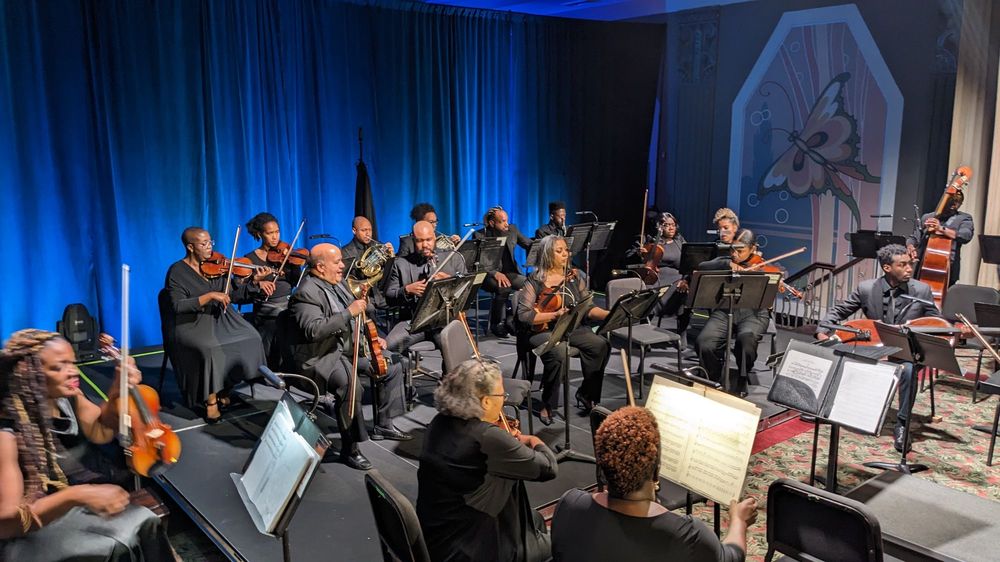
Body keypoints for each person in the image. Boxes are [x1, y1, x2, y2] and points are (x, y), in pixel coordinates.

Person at [0, 329, 176, 561]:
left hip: (71, 505)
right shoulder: (7, 435)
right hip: (32, 531)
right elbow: (6, 524)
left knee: (145, 521)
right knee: (121, 536)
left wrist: (116, 392)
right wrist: (79, 495)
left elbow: (100, 430)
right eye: (59, 367)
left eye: (71, 363)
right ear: (28, 373)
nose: (73, 372)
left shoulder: (68, 396)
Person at [551, 406, 756, 561]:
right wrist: (739, 520)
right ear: (656, 471)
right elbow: (732, 556)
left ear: (603, 465)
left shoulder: (569, 505)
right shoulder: (688, 534)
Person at [286, 244, 411, 471]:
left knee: (392, 364)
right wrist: (348, 312)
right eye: (337, 262)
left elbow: (360, 314)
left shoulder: (339, 284)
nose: (343, 265)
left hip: (348, 350)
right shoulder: (306, 292)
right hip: (322, 355)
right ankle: (350, 449)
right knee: (351, 386)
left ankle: (383, 424)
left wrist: (375, 338)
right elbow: (313, 331)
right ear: (321, 267)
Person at [417, 360, 556, 562]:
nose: (503, 400)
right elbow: (548, 468)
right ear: (486, 402)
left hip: (439, 534)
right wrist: (532, 440)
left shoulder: (438, 423)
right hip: (472, 549)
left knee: (534, 519)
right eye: (501, 395)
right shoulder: (486, 437)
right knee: (567, 538)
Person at [816, 244, 941, 452]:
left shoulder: (921, 290)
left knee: (908, 371)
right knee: (837, 351)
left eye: (910, 264)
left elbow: (934, 321)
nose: (909, 268)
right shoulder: (867, 288)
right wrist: (823, 330)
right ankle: (826, 408)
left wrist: (914, 331)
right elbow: (840, 310)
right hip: (875, 345)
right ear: (887, 268)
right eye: (903, 265)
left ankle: (902, 424)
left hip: (906, 351)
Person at [164, 227, 272, 422]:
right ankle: (211, 400)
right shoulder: (177, 271)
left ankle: (225, 388)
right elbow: (178, 306)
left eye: (210, 242)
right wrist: (210, 295)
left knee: (252, 338)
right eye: (203, 244)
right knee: (209, 348)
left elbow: (234, 296)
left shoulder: (218, 266)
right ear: (190, 247)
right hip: (191, 322)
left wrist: (254, 282)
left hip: (221, 317)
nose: (209, 247)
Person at [514, 235, 610, 425]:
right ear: (547, 254)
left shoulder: (574, 277)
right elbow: (524, 316)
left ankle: (586, 394)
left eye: (566, 250)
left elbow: (588, 307)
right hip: (540, 330)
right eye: (559, 251)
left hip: (571, 327)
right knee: (558, 353)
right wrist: (555, 315)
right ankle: (548, 404)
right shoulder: (534, 280)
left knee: (600, 345)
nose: (565, 254)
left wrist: (609, 314)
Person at [694, 229, 772, 395]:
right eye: (732, 249)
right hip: (725, 310)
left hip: (754, 313)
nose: (735, 254)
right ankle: (713, 377)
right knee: (704, 341)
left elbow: (773, 287)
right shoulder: (725, 260)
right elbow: (701, 266)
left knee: (746, 341)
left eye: (741, 250)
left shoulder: (761, 265)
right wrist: (727, 264)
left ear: (753, 249)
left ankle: (743, 377)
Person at [384, 220, 468, 354]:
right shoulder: (401, 263)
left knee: (453, 350)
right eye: (419, 241)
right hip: (412, 322)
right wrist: (406, 290)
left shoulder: (452, 257)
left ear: (434, 237)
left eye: (428, 239)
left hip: (443, 321)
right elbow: (389, 297)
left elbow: (466, 293)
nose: (425, 245)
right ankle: (402, 370)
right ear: (413, 240)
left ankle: (449, 375)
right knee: (388, 347)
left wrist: (450, 282)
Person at [244, 213, 304, 368]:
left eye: (277, 232)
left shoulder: (286, 255)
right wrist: (257, 282)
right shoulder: (250, 259)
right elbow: (240, 293)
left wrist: (293, 265)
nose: (275, 237)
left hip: (288, 307)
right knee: (273, 331)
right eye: (270, 233)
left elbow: (297, 281)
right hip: (266, 312)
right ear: (259, 234)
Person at [474, 206, 532, 338]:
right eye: (503, 221)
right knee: (504, 288)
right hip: (487, 274)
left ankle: (514, 319)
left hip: (510, 272)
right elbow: (480, 261)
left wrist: (545, 244)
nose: (507, 224)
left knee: (529, 284)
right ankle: (496, 323)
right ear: (492, 223)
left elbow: (528, 243)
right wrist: (495, 273)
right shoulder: (480, 235)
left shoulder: (512, 229)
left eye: (507, 220)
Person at [906, 189, 974, 286]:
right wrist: (910, 246)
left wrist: (941, 228)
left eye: (958, 203)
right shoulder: (928, 217)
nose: (954, 206)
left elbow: (965, 236)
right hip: (923, 266)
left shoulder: (964, 218)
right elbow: (914, 237)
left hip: (947, 268)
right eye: (951, 202)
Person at [341, 215, 393, 307]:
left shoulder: (379, 246)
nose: (368, 233)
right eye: (364, 230)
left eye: (370, 230)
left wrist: (391, 257)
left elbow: (390, 272)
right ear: (354, 230)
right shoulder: (345, 252)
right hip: (360, 297)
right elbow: (344, 280)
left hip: (380, 295)